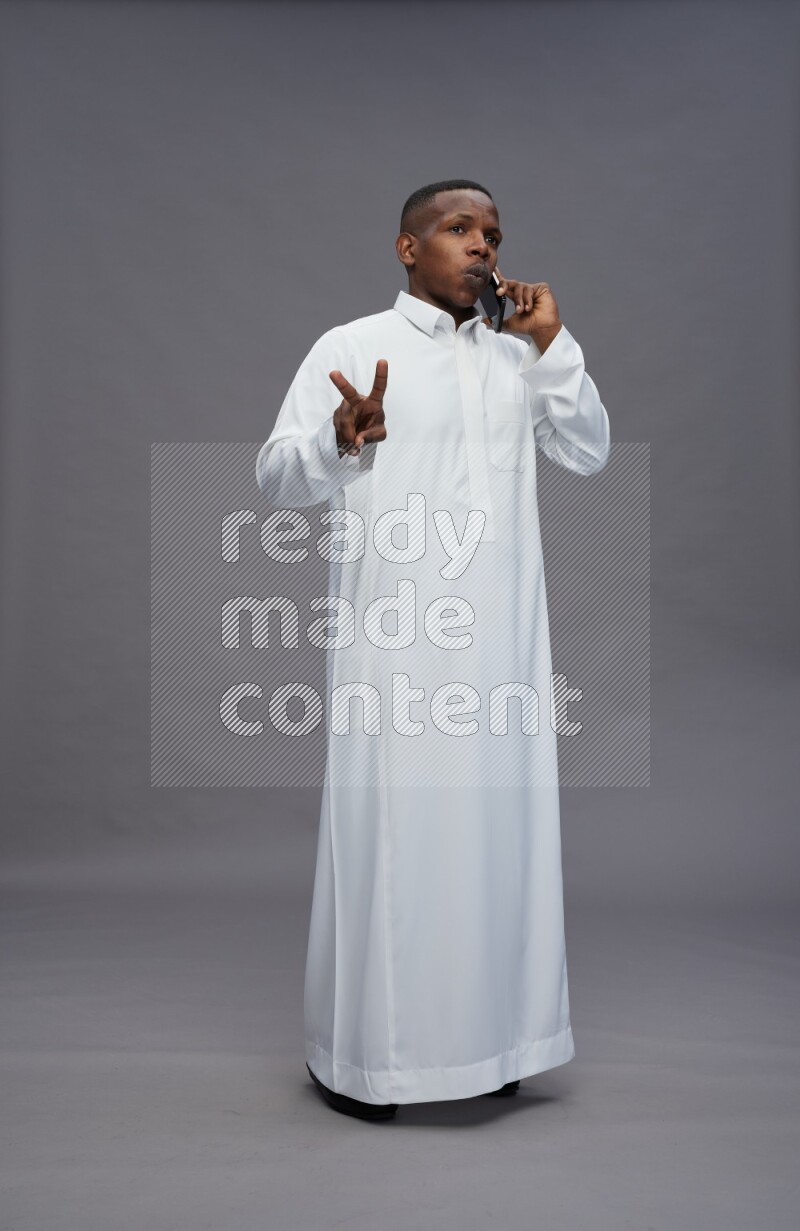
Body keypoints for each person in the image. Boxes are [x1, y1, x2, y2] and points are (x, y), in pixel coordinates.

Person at [255, 179, 610, 1120]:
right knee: (396, 843)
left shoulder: (513, 357)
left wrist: (552, 347)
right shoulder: (350, 347)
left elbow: (588, 450)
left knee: (502, 841)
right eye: (459, 230)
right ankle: (370, 1061)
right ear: (409, 249)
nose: (482, 247)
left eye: (492, 233)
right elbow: (276, 477)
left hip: (502, 648)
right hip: (398, 644)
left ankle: (498, 1044)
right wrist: (339, 442)